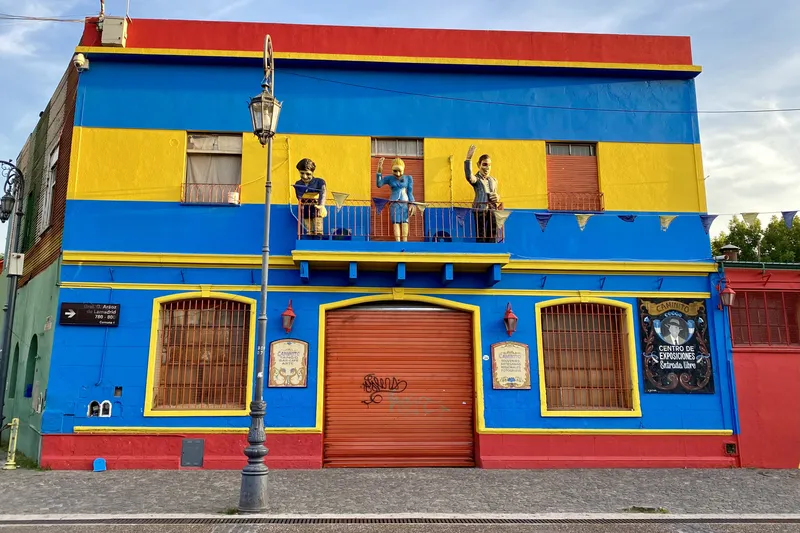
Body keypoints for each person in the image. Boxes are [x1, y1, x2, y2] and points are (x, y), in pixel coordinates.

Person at [464, 145, 501, 243]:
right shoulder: (477, 179)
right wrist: (468, 159)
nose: (487, 168)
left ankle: (492, 248)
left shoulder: (494, 180)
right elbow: (469, 176)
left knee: (492, 233)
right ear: (478, 165)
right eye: (484, 164)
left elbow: (496, 193)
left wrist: (497, 197)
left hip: (492, 209)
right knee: (481, 233)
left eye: (489, 165)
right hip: (480, 209)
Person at [376, 157, 416, 242]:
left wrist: (413, 204)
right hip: (394, 203)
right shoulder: (389, 178)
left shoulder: (408, 178)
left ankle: (405, 241)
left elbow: (410, 192)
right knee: (396, 222)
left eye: (400, 171)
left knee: (405, 221)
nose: (398, 174)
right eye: (395, 171)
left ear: (403, 169)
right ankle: (397, 241)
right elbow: (379, 184)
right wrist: (379, 170)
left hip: (404, 203)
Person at [294, 158, 327, 238]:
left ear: (312, 172)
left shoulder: (319, 182)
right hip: (305, 208)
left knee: (318, 227)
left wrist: (321, 205)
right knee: (308, 228)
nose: (305, 177)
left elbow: (323, 192)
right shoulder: (298, 183)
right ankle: (310, 235)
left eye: (308, 174)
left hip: (316, 207)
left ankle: (318, 237)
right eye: (302, 173)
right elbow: (299, 196)